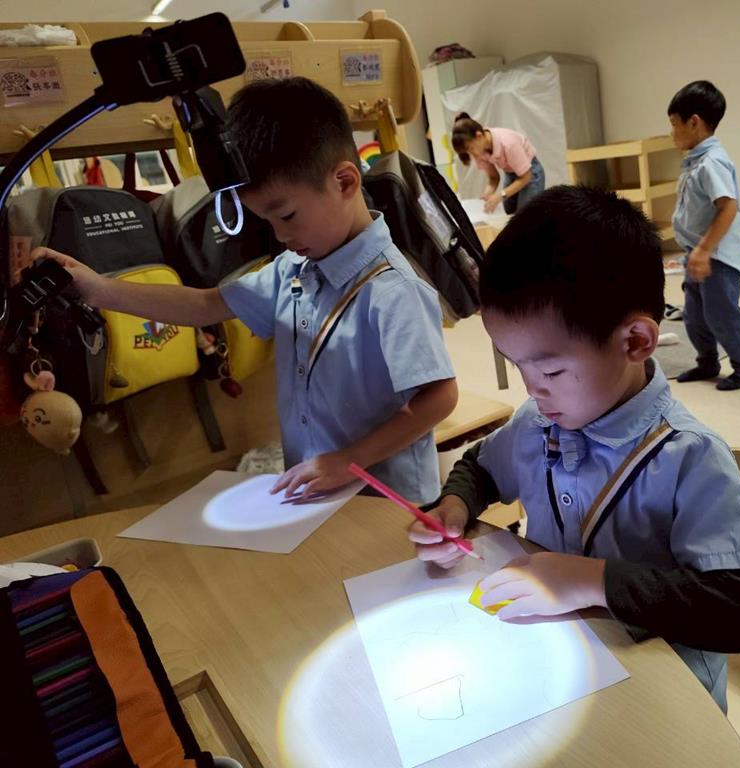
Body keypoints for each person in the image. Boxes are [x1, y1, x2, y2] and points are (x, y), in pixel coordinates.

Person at [408, 185, 740, 714]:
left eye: (552, 370)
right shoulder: (536, 421)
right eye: (518, 366)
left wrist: (593, 580)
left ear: (635, 342)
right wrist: (455, 505)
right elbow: (480, 467)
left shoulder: (689, 457)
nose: (532, 390)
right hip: (560, 670)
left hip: (664, 700)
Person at [37, 77, 458, 503]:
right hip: (320, 492)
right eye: (267, 222)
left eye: (287, 216)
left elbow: (439, 397)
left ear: (345, 182)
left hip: (389, 500)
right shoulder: (295, 267)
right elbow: (206, 304)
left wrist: (348, 461)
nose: (281, 235)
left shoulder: (392, 290)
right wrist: (98, 290)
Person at [669, 80, 740, 390]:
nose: (672, 132)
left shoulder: (712, 162)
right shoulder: (696, 160)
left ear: (693, 122)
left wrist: (705, 249)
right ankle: (707, 362)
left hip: (716, 256)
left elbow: (728, 207)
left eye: (674, 124)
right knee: (695, 316)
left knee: (722, 314)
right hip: (698, 253)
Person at [451, 113, 545, 215]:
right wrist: (487, 194)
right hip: (511, 172)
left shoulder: (508, 143)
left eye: (471, 149)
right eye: (468, 151)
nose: (472, 154)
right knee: (509, 209)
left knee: (525, 213)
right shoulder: (479, 150)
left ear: (479, 136)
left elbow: (526, 177)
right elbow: (493, 178)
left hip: (530, 173)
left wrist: (501, 195)